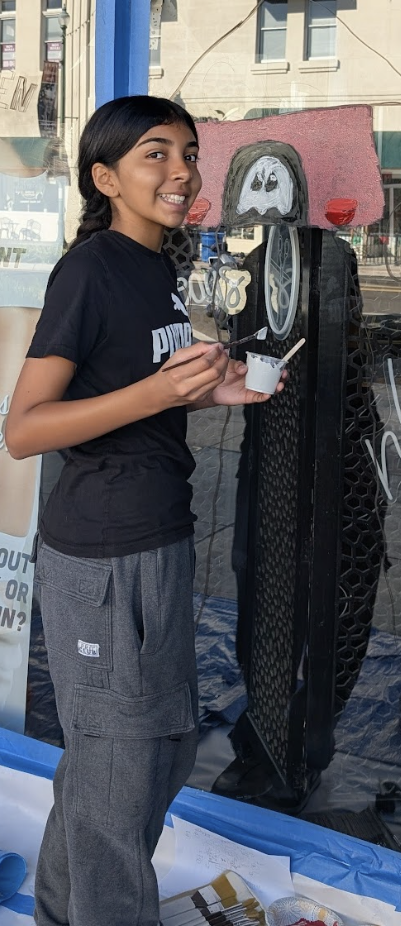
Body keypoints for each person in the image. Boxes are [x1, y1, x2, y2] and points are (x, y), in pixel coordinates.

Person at [5, 94, 285, 926]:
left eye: (189, 153)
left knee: (147, 752)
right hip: (102, 554)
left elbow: (126, 398)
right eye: (155, 155)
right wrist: (156, 390)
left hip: (157, 538)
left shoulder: (156, 268)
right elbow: (25, 430)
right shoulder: (88, 272)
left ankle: (63, 910)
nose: (182, 171)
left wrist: (207, 394)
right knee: (120, 770)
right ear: (106, 177)